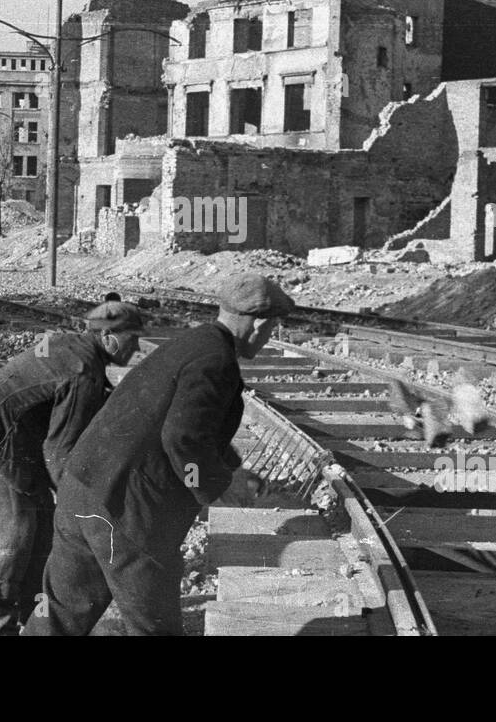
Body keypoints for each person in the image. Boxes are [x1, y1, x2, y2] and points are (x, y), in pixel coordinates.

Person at [22, 273, 295, 637]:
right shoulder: (217, 361)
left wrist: (231, 467)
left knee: (58, 616)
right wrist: (219, 488)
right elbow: (182, 438)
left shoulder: (195, 342)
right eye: (272, 326)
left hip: (81, 488)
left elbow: (186, 424)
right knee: (154, 627)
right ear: (260, 322)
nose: (269, 336)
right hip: (125, 510)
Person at [0, 300, 145, 636]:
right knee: (15, 533)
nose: (135, 347)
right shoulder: (84, 370)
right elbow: (59, 451)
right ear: (108, 336)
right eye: (131, 338)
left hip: (2, 433)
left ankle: (30, 616)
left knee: (41, 528)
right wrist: (82, 503)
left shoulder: (74, 348)